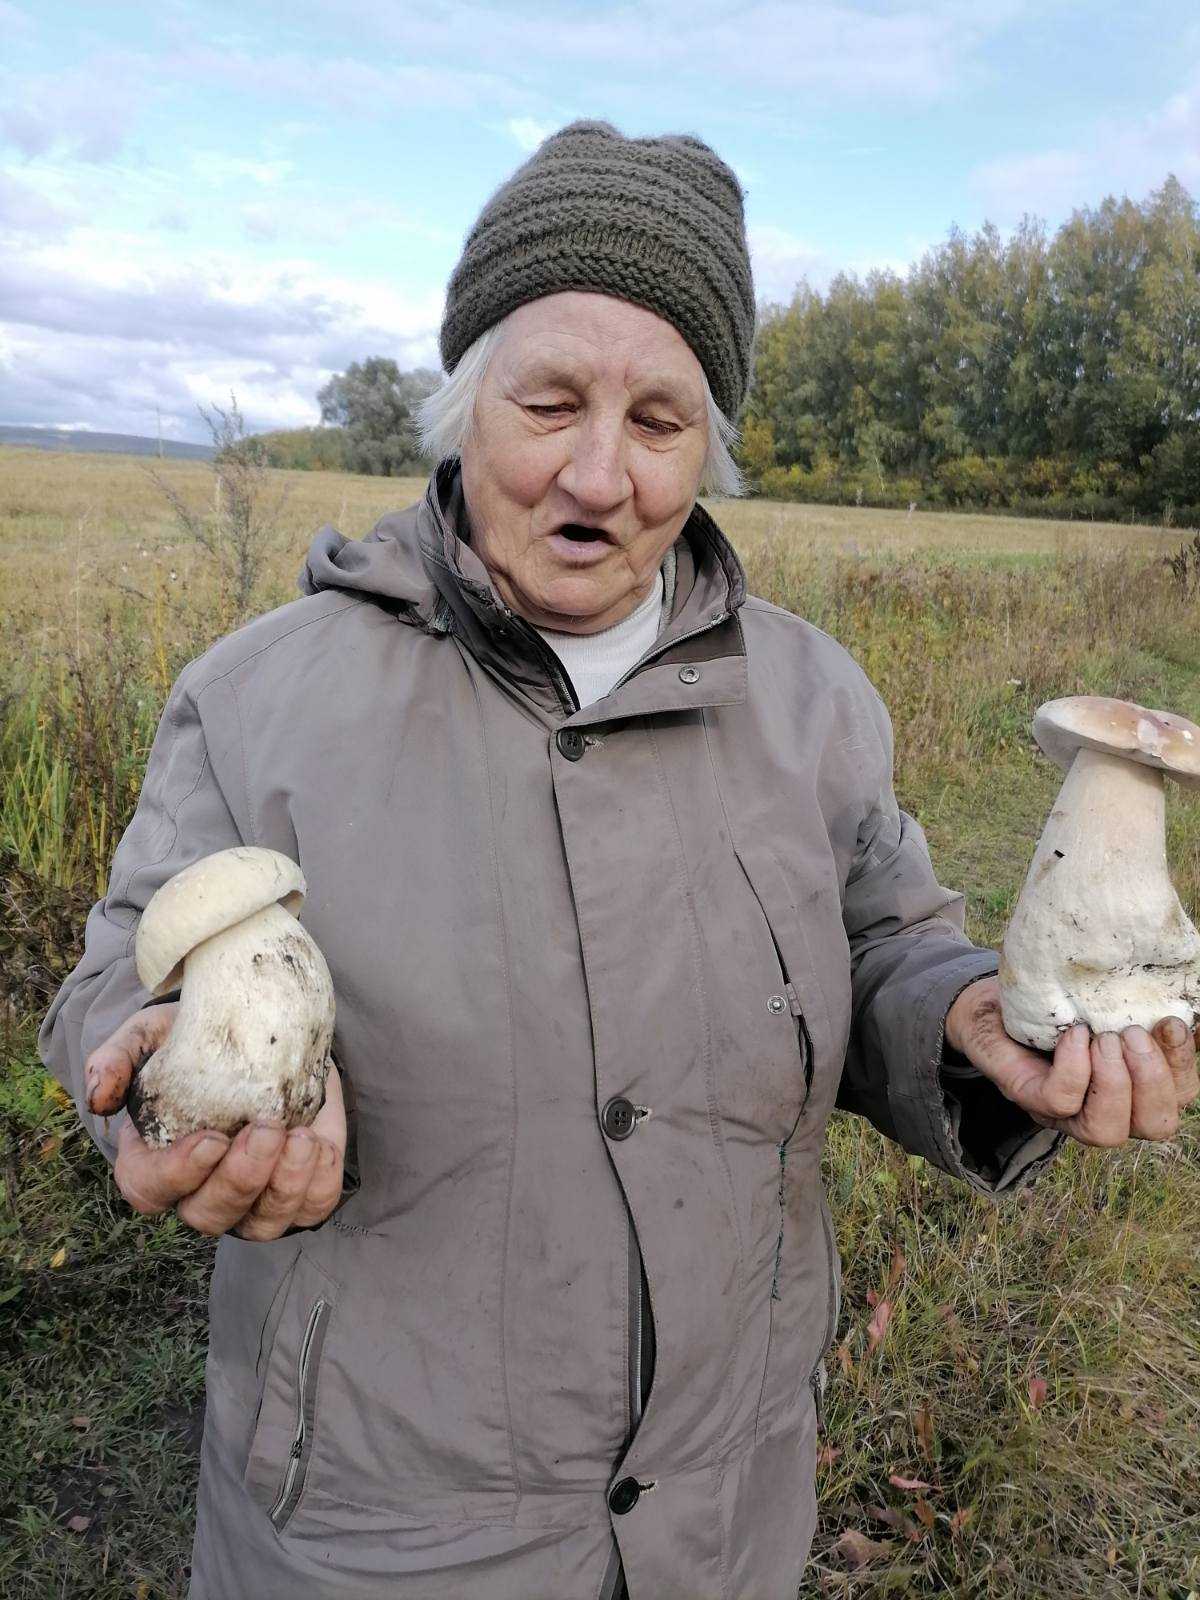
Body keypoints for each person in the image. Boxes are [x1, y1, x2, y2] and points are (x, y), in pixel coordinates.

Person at [41, 121, 1198, 1600]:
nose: (599, 471)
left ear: (706, 451)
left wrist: (970, 1022)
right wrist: (145, 1077)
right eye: (551, 401)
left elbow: (888, 938)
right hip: (372, 1531)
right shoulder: (261, 695)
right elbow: (111, 986)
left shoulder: (813, 699)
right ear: (463, 408)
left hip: (722, 1517)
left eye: (659, 422)